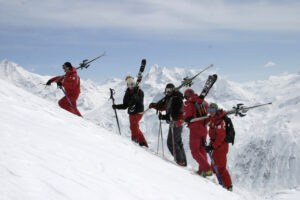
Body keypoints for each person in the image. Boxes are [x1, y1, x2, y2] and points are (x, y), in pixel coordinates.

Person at [149, 83, 187, 166]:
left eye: (170, 90)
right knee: (178, 142)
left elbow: (174, 114)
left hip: (176, 122)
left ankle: (180, 161)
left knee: (171, 142)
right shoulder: (170, 98)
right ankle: (183, 161)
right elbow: (164, 106)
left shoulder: (176, 99)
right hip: (176, 122)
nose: (168, 92)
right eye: (167, 90)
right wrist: (155, 106)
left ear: (173, 90)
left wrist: (164, 117)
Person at [182, 89, 212, 176]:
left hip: (195, 129)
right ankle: (202, 170)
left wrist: (185, 118)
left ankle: (207, 169)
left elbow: (186, 116)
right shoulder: (204, 102)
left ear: (187, 95)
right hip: (204, 128)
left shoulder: (188, 103)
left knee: (195, 152)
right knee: (202, 150)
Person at [112, 76, 148, 147]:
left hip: (138, 112)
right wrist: (116, 106)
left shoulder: (139, 92)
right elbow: (125, 105)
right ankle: (143, 143)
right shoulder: (127, 93)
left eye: (132, 84)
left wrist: (135, 97)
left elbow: (138, 99)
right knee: (135, 127)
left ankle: (135, 141)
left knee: (133, 126)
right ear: (127, 85)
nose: (131, 86)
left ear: (134, 84)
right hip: (131, 112)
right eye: (129, 85)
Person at [205, 103, 233, 191]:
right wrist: (211, 145)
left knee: (221, 167)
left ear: (216, 110)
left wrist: (212, 146)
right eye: (209, 110)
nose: (211, 112)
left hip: (221, 146)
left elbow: (221, 137)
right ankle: (219, 183)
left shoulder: (220, 121)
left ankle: (228, 186)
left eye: (213, 110)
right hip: (216, 146)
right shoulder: (213, 119)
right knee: (214, 166)